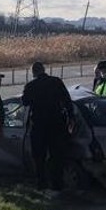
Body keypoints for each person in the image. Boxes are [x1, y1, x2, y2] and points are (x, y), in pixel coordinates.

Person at [22, 61, 74, 192]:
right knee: (57, 156)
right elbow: (67, 101)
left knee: (39, 157)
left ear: (33, 72)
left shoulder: (31, 86)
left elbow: (24, 102)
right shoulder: (56, 82)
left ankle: (42, 184)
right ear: (44, 70)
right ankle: (57, 184)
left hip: (39, 126)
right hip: (57, 124)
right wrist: (70, 117)